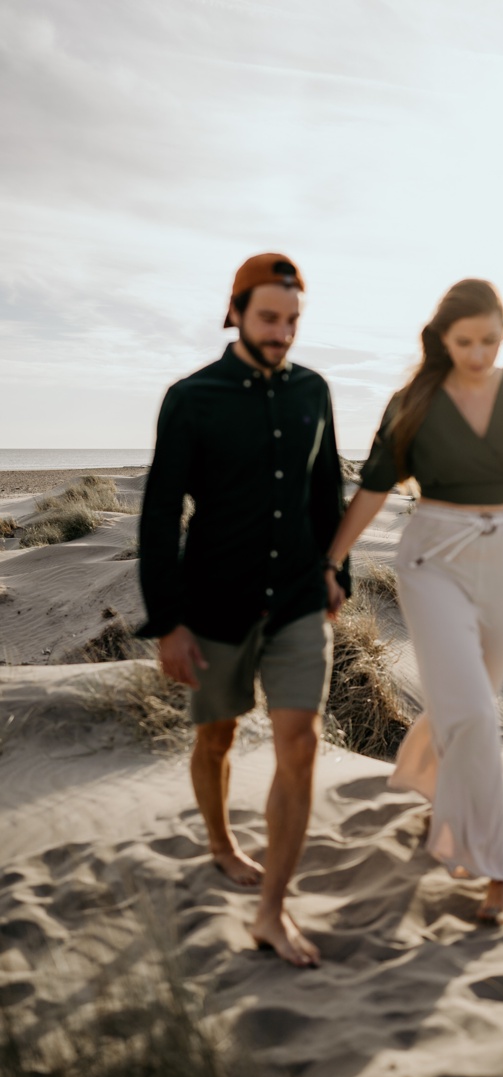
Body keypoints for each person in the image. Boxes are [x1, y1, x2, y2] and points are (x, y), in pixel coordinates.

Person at [138, 252, 351, 968]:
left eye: (292, 320)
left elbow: (327, 490)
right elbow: (161, 512)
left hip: (294, 600)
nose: (282, 332)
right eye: (268, 317)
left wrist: (335, 571)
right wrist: (168, 621)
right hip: (214, 608)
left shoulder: (314, 391)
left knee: (301, 742)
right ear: (235, 312)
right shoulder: (191, 398)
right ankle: (222, 845)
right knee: (218, 742)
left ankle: (271, 912)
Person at [324, 278, 503, 924]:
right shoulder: (415, 402)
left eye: (489, 339)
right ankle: (494, 870)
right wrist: (333, 556)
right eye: (464, 342)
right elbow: (372, 488)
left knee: (467, 703)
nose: (478, 352)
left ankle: (434, 786)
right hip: (433, 558)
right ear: (442, 339)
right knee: (477, 715)